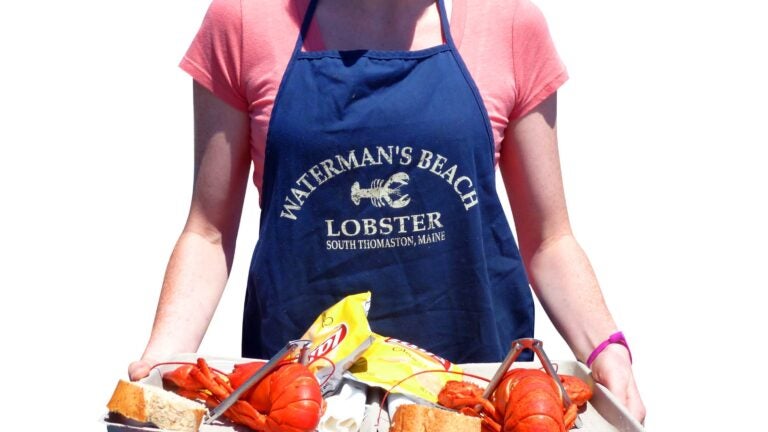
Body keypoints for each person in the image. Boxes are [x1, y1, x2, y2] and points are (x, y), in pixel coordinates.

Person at [129, 0, 645, 423]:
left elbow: (549, 240)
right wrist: (165, 355)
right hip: (303, 399)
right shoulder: (242, 20)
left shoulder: (508, 22)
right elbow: (208, 231)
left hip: (475, 395)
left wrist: (606, 348)